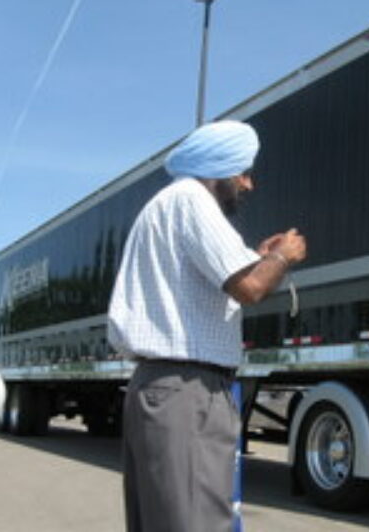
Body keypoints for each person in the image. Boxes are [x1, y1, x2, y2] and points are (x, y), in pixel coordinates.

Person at [108, 120, 306, 532]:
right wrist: (283, 258)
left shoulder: (170, 204)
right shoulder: (193, 201)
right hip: (188, 390)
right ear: (219, 167)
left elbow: (208, 278)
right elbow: (250, 287)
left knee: (165, 520)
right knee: (195, 521)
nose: (249, 184)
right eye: (243, 172)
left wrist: (259, 256)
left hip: (166, 387)